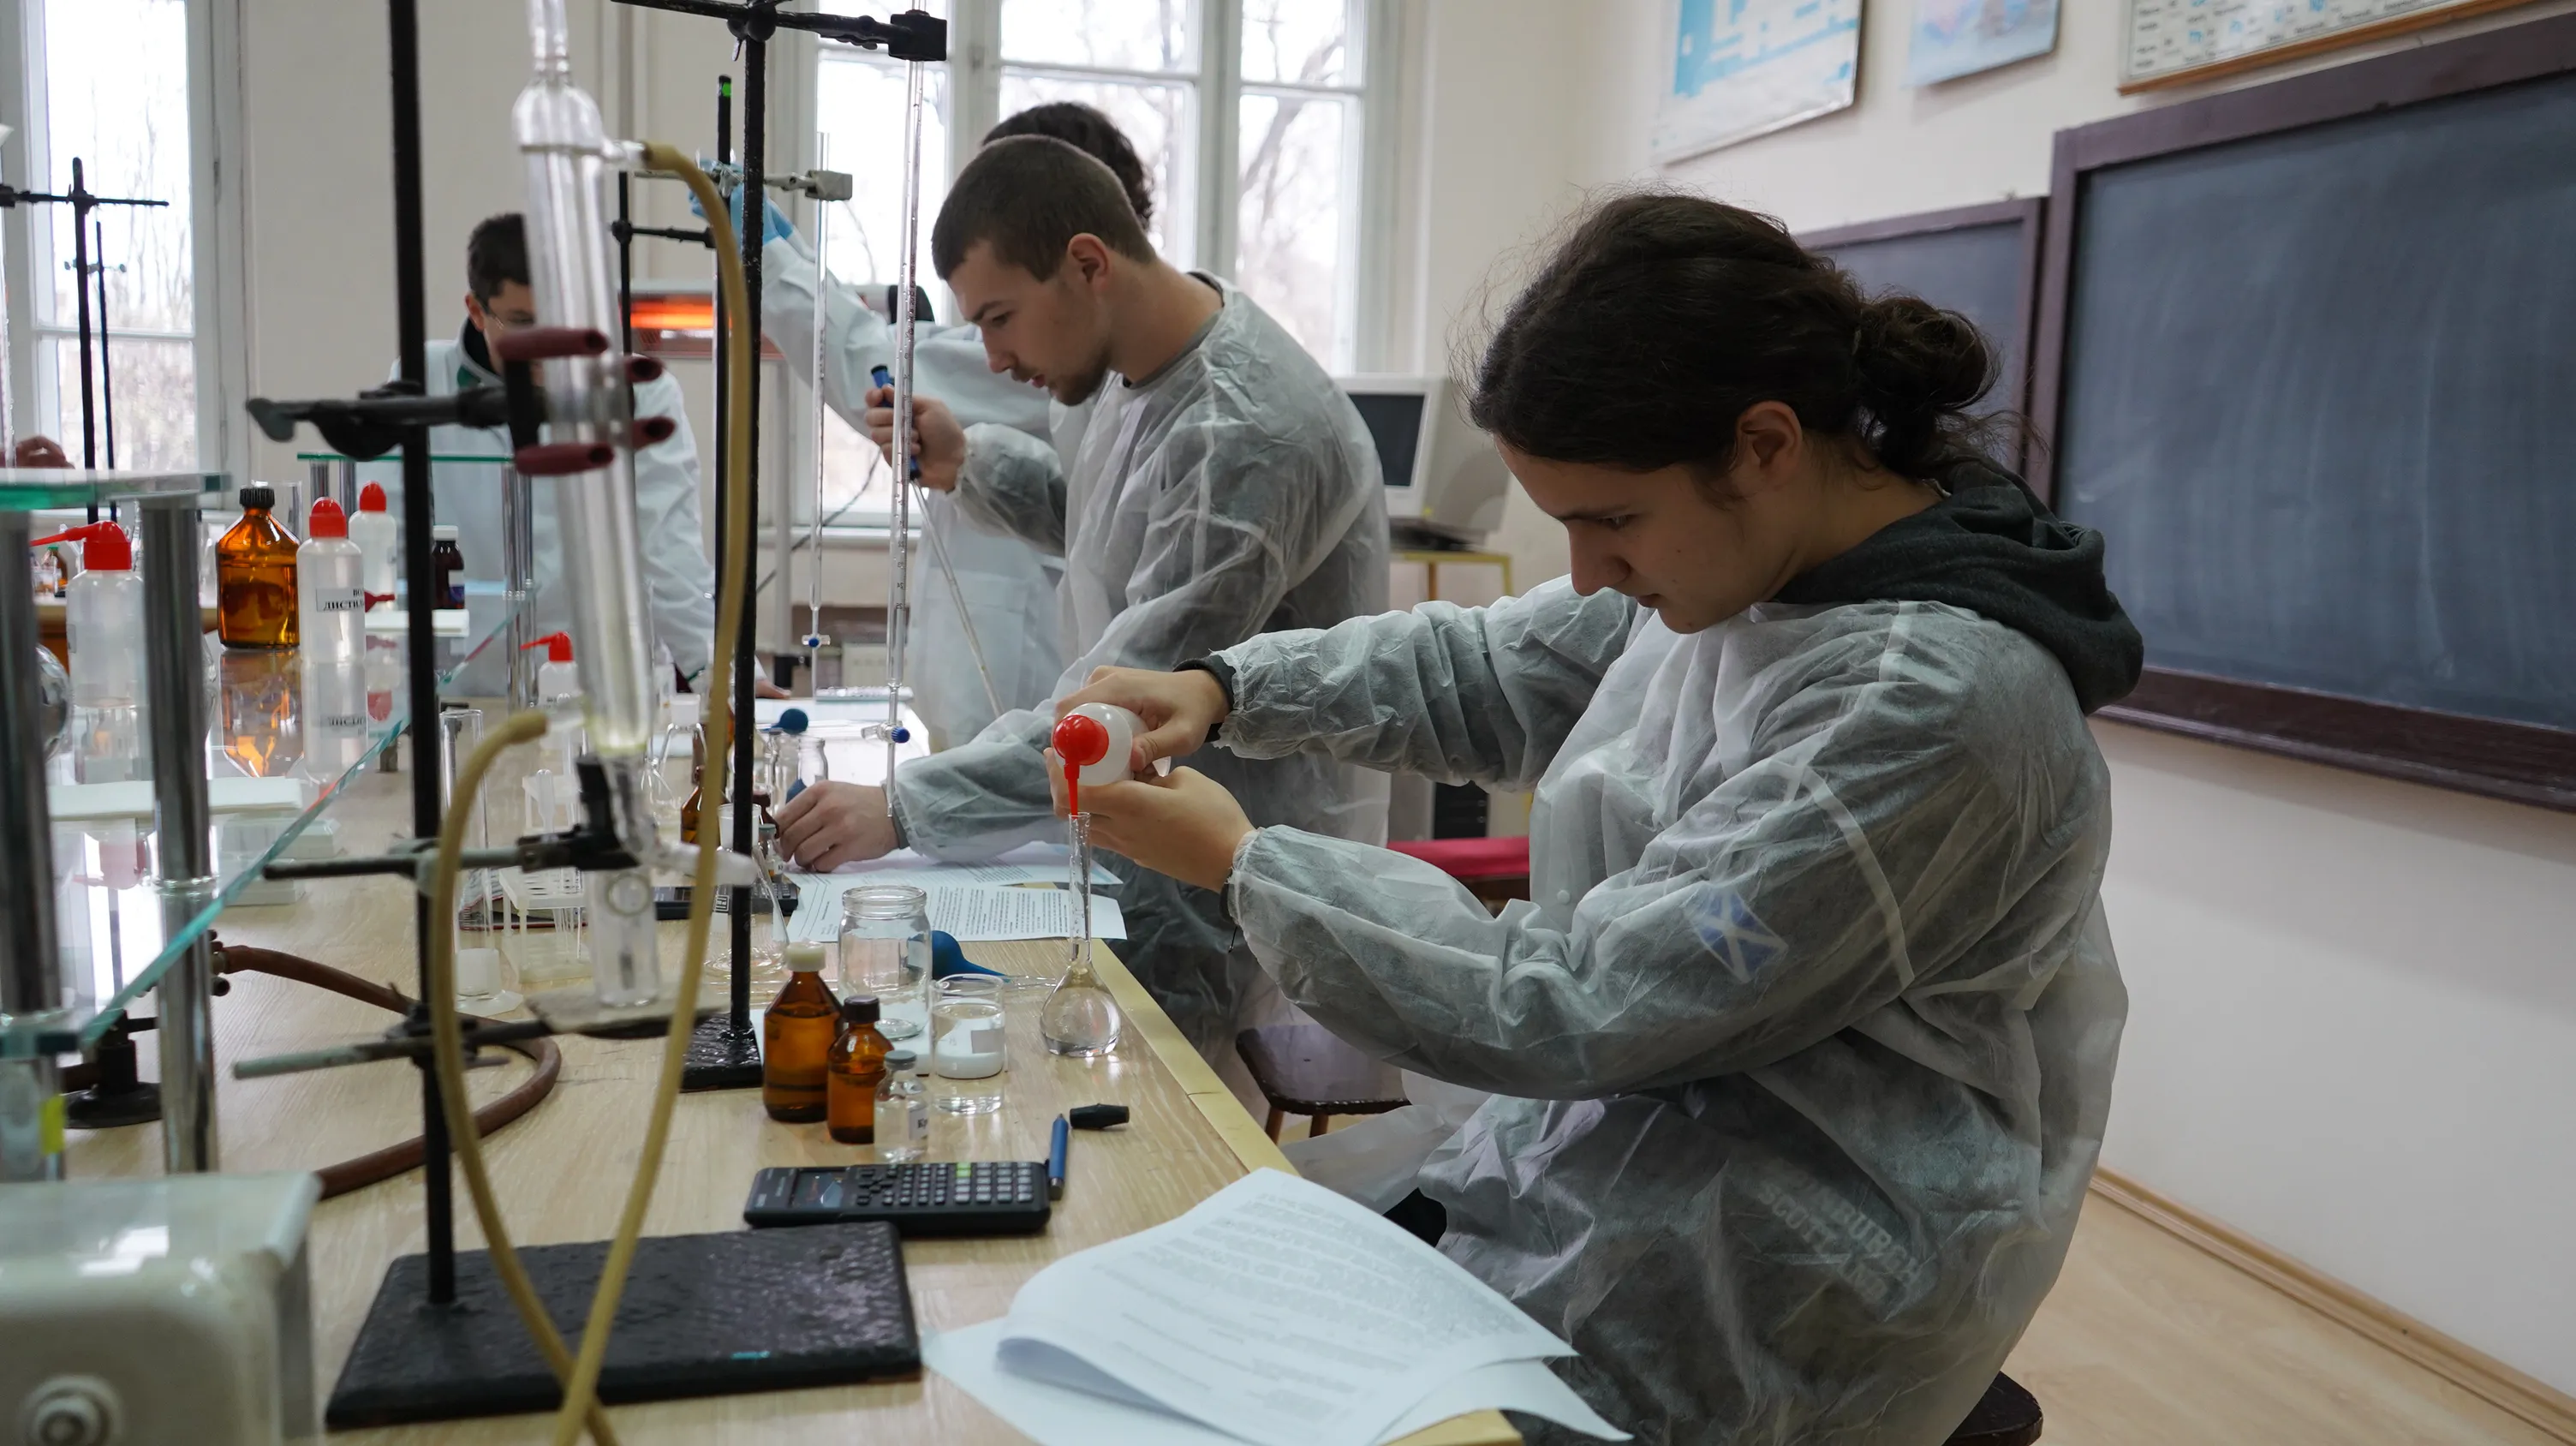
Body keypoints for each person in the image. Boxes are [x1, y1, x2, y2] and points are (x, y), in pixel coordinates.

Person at [1048, 193, 2140, 1444]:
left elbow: (1587, 998)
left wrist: (1248, 865)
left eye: (1610, 521)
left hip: (1770, 1287)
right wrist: (1226, 685)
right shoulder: (1754, 574)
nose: (1585, 572)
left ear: (1765, 444)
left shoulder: (1926, 705)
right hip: (1606, 1169)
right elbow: (1486, 669)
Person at [773, 135, 1389, 1053]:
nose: (992, 359)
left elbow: (1128, 708)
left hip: (1217, 855)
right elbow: (1111, 527)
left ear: (1088, 263)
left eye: (1000, 318)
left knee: (1155, 1110)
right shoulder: (1144, 372)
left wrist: (901, 807)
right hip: (1141, 829)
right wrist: (969, 462)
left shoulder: (1243, 434)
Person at [757, 103, 1160, 747]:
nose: (997, 354)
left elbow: (869, 360)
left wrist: (773, 256)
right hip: (991, 684)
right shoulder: (1050, 344)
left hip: (1022, 682)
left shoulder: (1072, 356)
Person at [364, 213, 719, 696]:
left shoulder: (637, 391)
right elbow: (390, 547)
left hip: (599, 688)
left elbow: (669, 548)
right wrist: (391, 689)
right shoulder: (426, 381)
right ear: (476, 311)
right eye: (523, 323)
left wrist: (718, 676)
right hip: (469, 690)